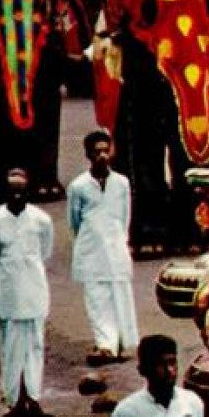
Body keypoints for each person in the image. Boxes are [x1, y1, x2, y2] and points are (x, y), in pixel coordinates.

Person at [0, 168, 55, 417]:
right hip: (7, 293)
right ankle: (14, 401)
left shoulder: (41, 220)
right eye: (12, 192)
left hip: (34, 290)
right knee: (11, 349)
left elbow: (45, 252)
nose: (17, 197)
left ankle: (33, 399)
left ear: (28, 192)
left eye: (21, 191)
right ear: (4, 193)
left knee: (34, 346)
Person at [67, 130, 138, 366]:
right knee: (97, 298)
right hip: (91, 250)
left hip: (116, 246)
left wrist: (119, 239)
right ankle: (105, 344)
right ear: (88, 154)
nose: (102, 156)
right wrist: (90, 240)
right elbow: (74, 221)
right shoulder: (79, 186)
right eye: (97, 152)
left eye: (106, 150)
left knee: (120, 294)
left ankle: (122, 342)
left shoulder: (121, 183)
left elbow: (125, 217)